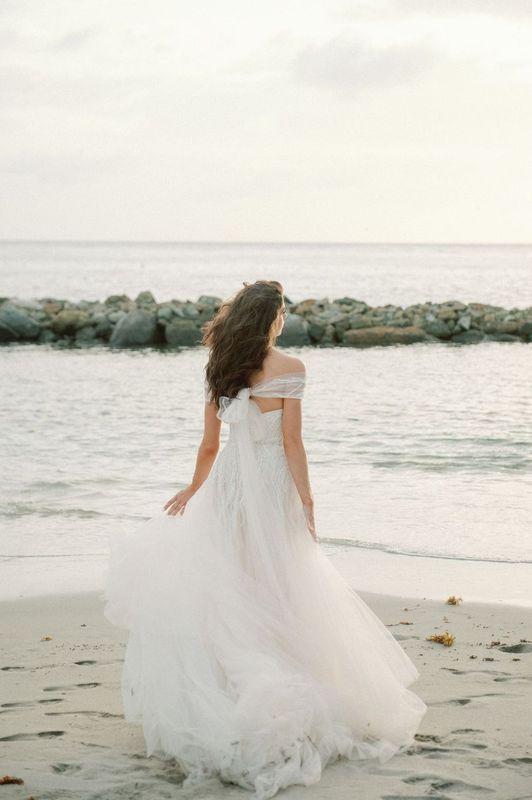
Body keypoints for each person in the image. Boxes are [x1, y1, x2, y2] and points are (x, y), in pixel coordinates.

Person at [102, 279, 427, 800]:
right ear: (272, 318)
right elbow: (292, 441)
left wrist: (192, 489)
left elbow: (210, 446)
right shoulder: (291, 369)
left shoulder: (220, 366)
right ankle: (279, 673)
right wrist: (308, 498)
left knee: (231, 579)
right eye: (281, 312)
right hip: (272, 481)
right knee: (277, 577)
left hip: (231, 481)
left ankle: (227, 686)